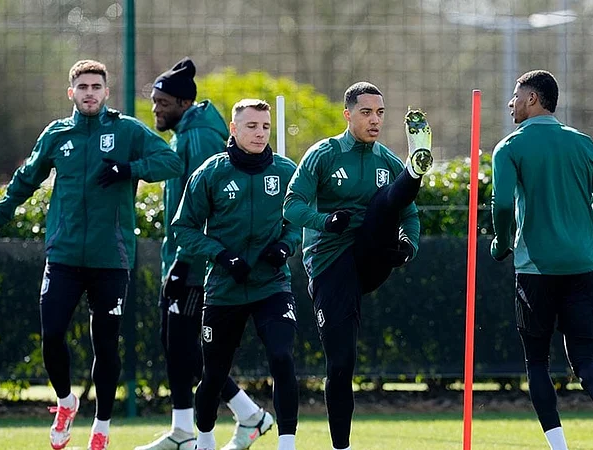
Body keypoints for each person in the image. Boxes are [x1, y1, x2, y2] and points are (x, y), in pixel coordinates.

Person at [0, 60, 183, 450]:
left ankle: (102, 426)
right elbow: (25, 180)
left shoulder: (126, 130)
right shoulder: (57, 134)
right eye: (83, 87)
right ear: (71, 92)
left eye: (96, 87)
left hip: (111, 258)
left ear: (106, 92)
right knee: (52, 332)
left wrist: (130, 169)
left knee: (105, 345)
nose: (90, 92)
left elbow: (171, 161)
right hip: (65, 254)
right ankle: (66, 401)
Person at [282, 81, 434, 450]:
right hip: (330, 262)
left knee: (385, 203)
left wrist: (408, 246)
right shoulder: (324, 153)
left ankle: (416, 170)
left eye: (380, 113)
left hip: (371, 254)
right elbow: (291, 205)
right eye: (366, 112)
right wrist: (324, 221)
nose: (375, 120)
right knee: (341, 362)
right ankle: (342, 447)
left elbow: (410, 216)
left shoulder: (386, 159)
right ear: (348, 114)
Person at [136, 58, 274, 450]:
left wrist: (185, 264)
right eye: (154, 100)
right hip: (182, 259)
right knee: (179, 345)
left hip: (195, 265)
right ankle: (235, 419)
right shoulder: (186, 133)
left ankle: (223, 422)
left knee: (186, 346)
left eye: (162, 102)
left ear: (182, 102)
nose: (156, 109)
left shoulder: (198, 139)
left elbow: (204, 213)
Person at [489, 69, 593, 450]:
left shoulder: (509, 147)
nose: (510, 103)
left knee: (537, 363)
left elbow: (501, 204)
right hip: (583, 266)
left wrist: (502, 242)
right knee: (584, 358)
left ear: (533, 99)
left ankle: (559, 447)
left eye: (515, 96)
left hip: (536, 269)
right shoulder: (583, 143)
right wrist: (581, 227)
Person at [171, 99, 301, 450]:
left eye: (265, 127)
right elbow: (183, 228)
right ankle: (205, 440)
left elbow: (299, 220)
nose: (260, 133)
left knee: (282, 356)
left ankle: (287, 443)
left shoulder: (287, 171)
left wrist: (285, 246)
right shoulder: (211, 173)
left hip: (272, 285)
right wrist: (223, 256)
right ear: (233, 128)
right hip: (224, 289)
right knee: (213, 373)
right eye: (251, 126)